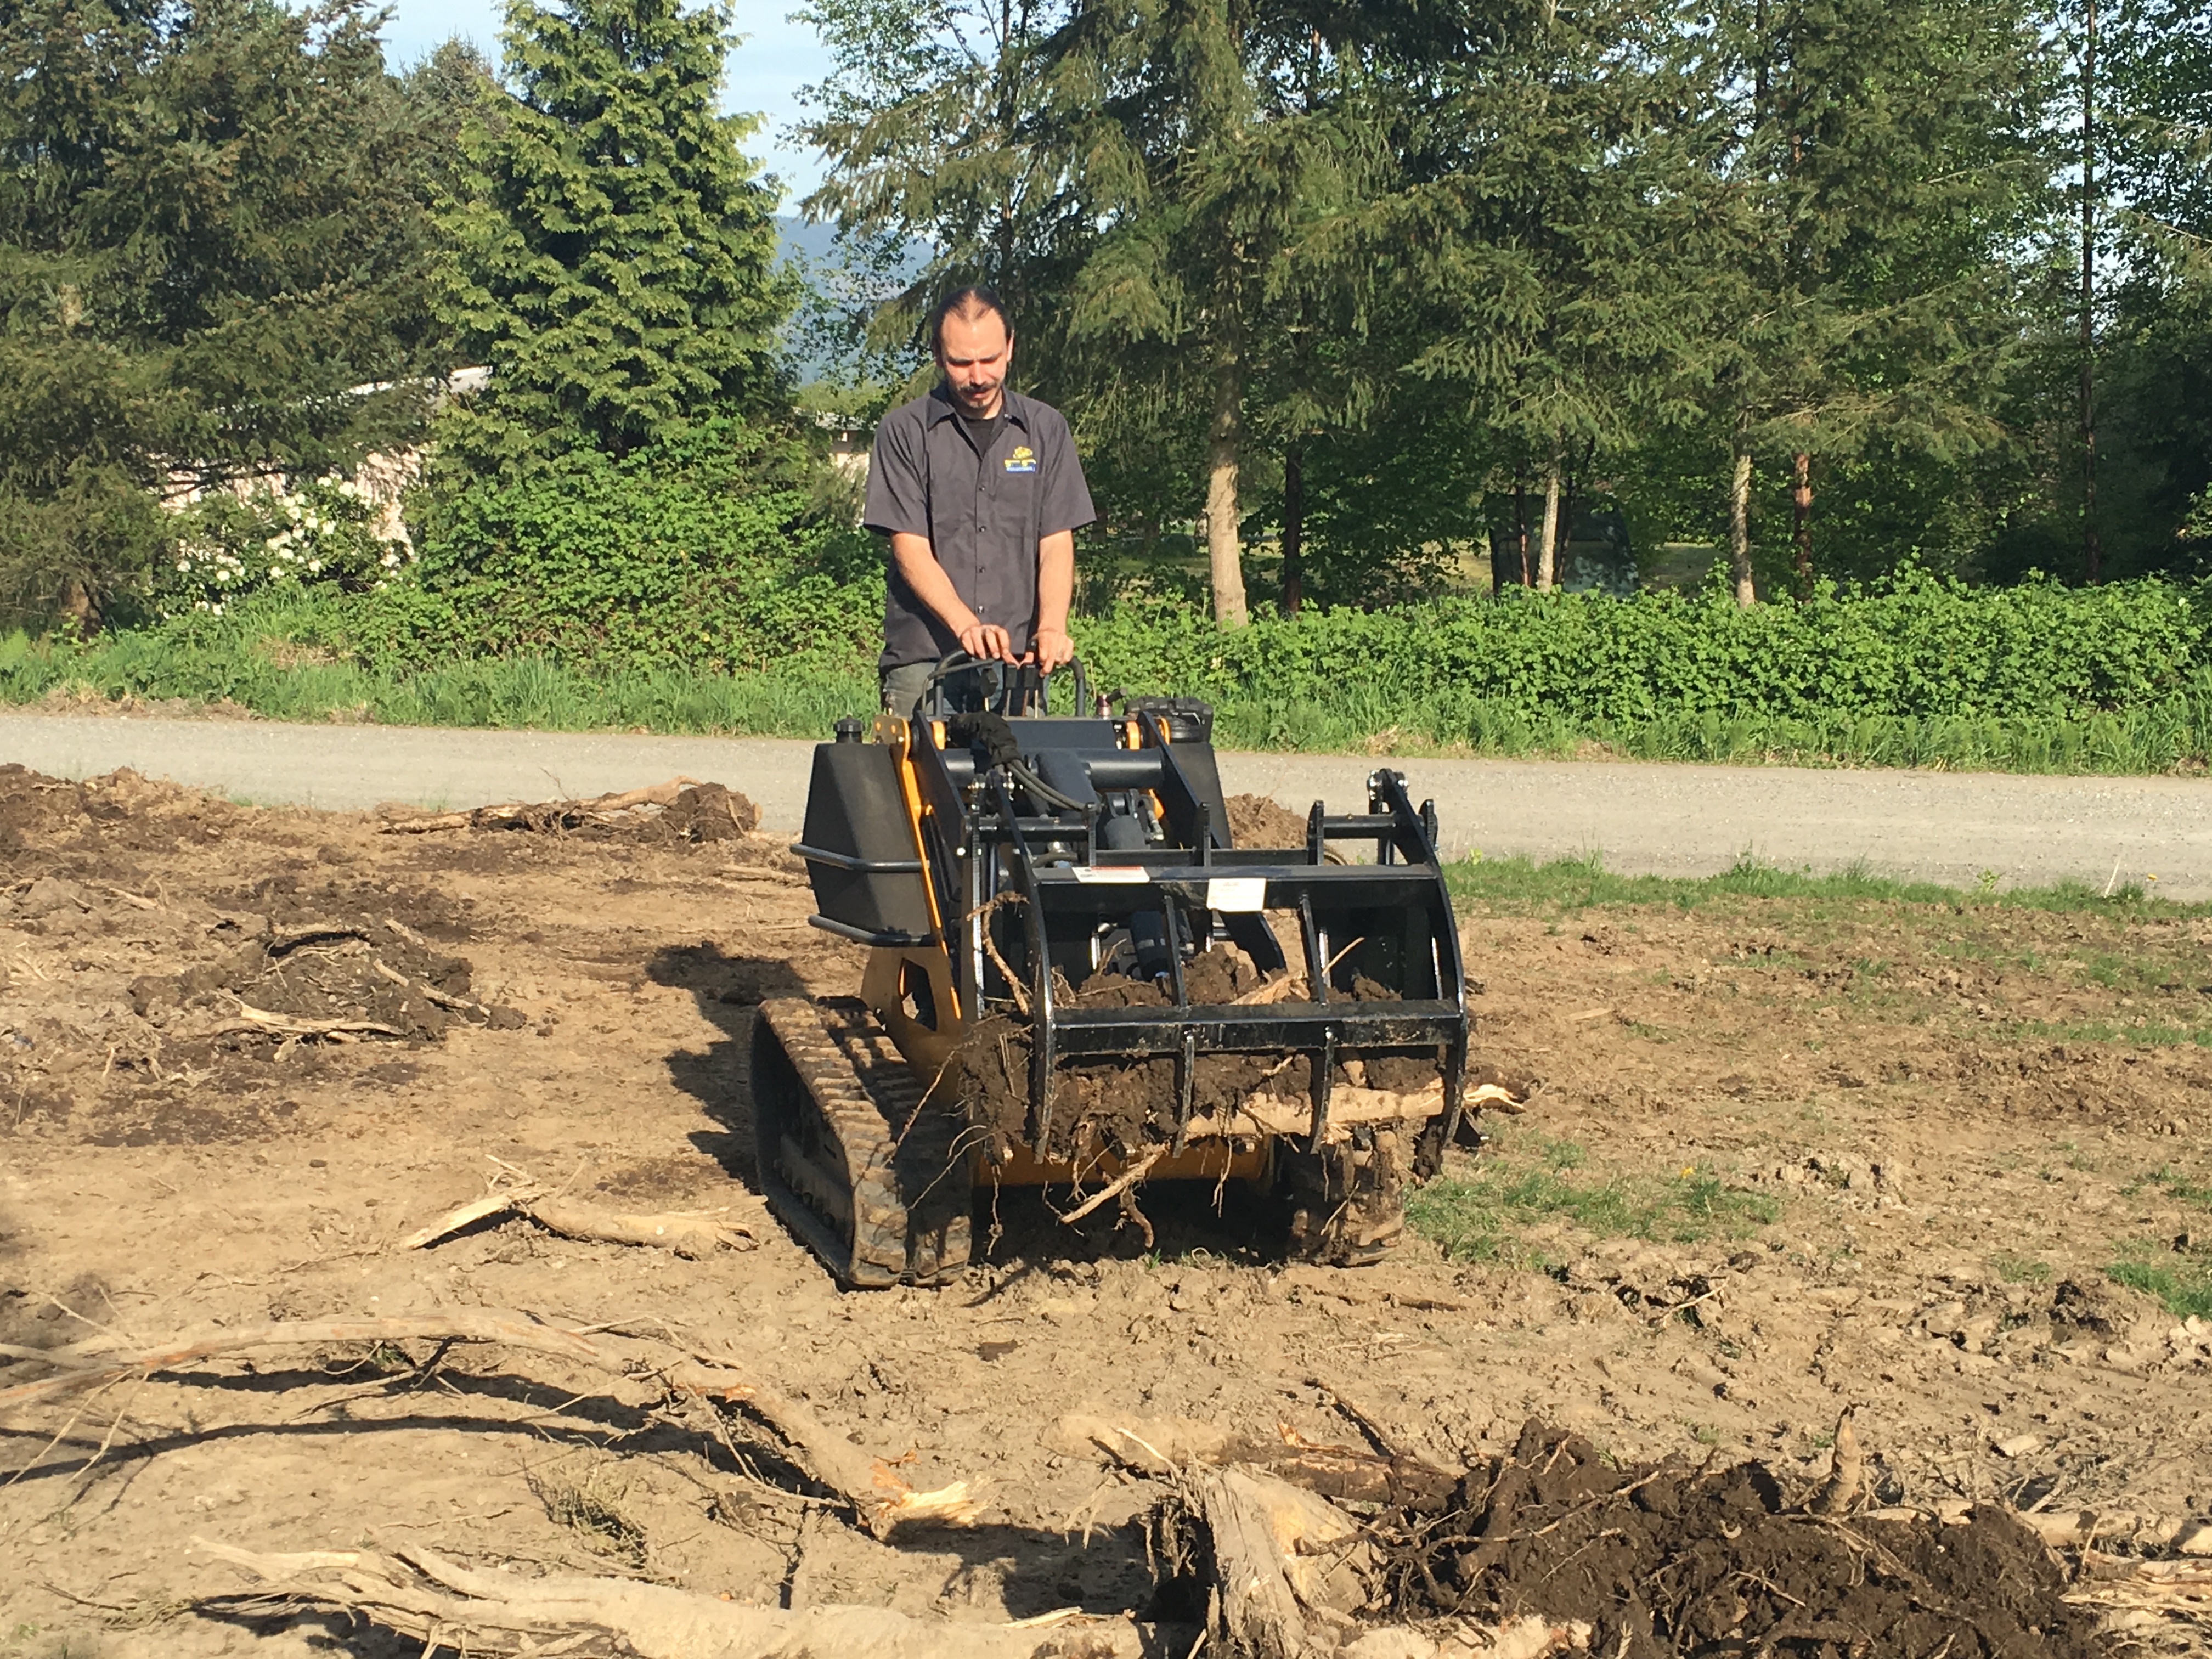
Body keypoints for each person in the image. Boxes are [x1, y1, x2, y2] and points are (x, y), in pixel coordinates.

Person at [862, 286, 1096, 716]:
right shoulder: (903, 432)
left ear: (1009, 348)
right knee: (915, 783)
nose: (978, 376)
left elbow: (1056, 541)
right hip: (927, 659)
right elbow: (909, 546)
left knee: (1028, 781)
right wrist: (966, 625)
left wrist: (1051, 627)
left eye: (989, 360)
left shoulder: (1046, 429)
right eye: (961, 363)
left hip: (1018, 663)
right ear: (937, 356)